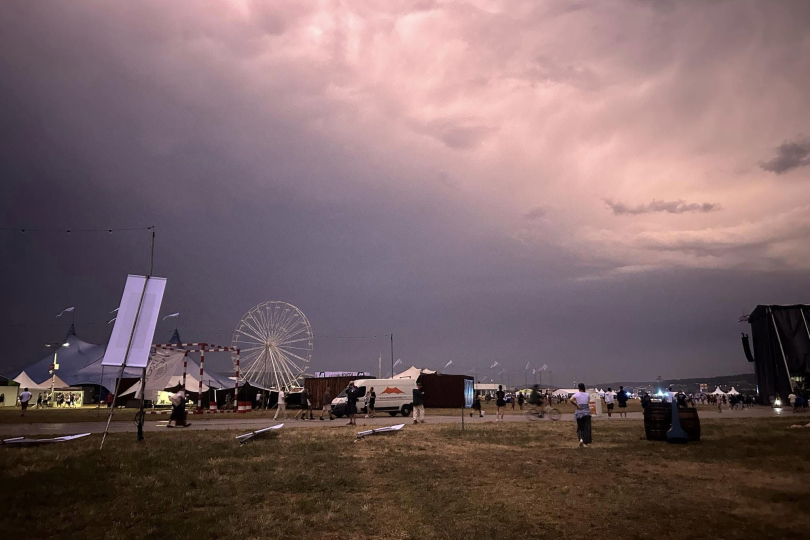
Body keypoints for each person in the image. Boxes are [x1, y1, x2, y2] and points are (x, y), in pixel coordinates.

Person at [570, 383, 591, 447]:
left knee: (580, 427)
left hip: (579, 413)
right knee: (586, 427)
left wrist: (577, 405)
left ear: (579, 388)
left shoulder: (576, 394)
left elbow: (571, 400)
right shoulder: (587, 394)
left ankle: (581, 438)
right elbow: (588, 402)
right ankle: (585, 442)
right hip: (586, 412)